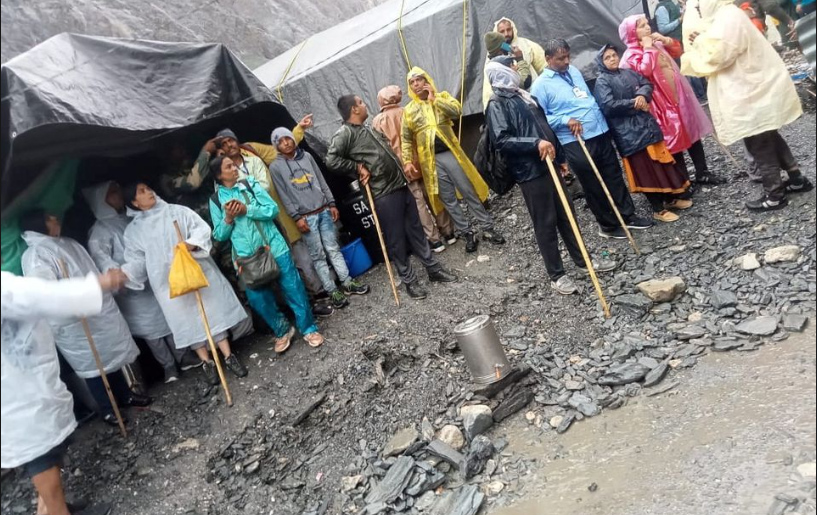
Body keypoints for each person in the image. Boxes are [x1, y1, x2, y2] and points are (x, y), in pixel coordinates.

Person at [484, 59, 618, 295]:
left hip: (550, 164)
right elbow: (501, 140)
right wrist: (535, 144)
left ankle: (583, 261)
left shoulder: (523, 96)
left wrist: (561, 157)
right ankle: (557, 274)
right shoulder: (497, 103)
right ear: (503, 71)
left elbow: (544, 125)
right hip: (530, 172)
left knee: (568, 214)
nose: (517, 69)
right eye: (513, 66)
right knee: (545, 222)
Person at [2, 269, 124, 515]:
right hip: (21, 402)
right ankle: (58, 512)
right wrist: (98, 284)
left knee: (49, 459)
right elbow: (42, 295)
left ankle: (51, 510)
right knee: (44, 464)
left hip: (22, 394)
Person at [20, 210, 149, 426]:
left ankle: (125, 395)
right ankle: (108, 408)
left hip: (98, 311)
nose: (56, 219)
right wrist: (77, 297)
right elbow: (47, 292)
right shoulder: (35, 256)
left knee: (109, 358)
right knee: (93, 367)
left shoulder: (68, 242)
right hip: (75, 321)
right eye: (50, 218)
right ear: (39, 225)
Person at [682, 0, 813, 210]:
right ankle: (797, 178)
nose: (697, 10)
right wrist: (704, 39)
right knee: (768, 135)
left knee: (758, 139)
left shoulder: (727, 17)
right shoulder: (726, 16)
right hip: (753, 86)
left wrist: (699, 42)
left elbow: (720, 54)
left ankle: (775, 194)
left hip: (749, 90)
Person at [326, 95, 458, 300]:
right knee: (396, 240)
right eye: (361, 102)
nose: (364, 104)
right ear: (354, 109)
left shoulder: (368, 127)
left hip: (400, 184)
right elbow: (331, 160)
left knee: (416, 231)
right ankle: (409, 281)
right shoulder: (344, 134)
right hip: (382, 193)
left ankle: (433, 269)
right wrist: (356, 167)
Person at [121, 183, 249, 385]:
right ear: (135, 202)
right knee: (186, 321)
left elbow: (201, 229)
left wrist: (191, 243)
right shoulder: (134, 231)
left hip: (195, 270)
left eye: (149, 188)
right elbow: (136, 260)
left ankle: (227, 355)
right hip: (167, 282)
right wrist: (124, 274)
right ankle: (206, 362)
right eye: (142, 192)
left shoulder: (176, 211)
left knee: (211, 311)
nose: (149, 191)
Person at [531, 39, 653, 240]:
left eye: (568, 56)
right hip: (575, 139)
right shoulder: (540, 86)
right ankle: (608, 225)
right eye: (561, 58)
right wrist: (564, 119)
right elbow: (540, 118)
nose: (566, 61)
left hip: (599, 130)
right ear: (548, 59)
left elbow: (586, 97)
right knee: (592, 182)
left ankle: (627, 215)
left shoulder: (573, 72)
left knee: (613, 174)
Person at [84, 181, 199, 383]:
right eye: (112, 194)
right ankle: (168, 366)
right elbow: (101, 257)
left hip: (153, 277)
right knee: (151, 331)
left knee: (169, 318)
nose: (118, 196)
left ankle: (184, 356)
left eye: (118, 191)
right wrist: (120, 274)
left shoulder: (130, 218)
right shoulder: (100, 231)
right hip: (132, 287)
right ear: (101, 201)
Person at [210, 156, 326, 352]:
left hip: (274, 247)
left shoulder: (249, 184)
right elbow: (219, 235)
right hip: (245, 257)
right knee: (258, 299)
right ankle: (282, 330)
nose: (234, 168)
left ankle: (308, 328)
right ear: (219, 175)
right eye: (228, 167)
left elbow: (271, 210)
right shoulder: (215, 200)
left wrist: (247, 209)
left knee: (293, 288)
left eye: (233, 164)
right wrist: (228, 218)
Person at [402, 67, 505, 253]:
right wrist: (408, 161)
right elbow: (406, 139)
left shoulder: (442, 96)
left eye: (419, 79)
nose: (416, 84)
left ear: (427, 79)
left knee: (468, 190)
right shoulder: (409, 111)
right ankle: (467, 233)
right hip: (430, 162)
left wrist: (435, 100)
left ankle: (487, 228)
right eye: (412, 82)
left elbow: (456, 111)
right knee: (448, 199)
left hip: (450, 154)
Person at [269, 128, 370, 310]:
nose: (286, 143)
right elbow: (283, 195)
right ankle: (332, 290)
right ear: (276, 145)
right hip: (306, 217)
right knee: (318, 256)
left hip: (323, 209)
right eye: (281, 141)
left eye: (288, 138)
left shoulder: (306, 156)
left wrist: (331, 203)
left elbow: (321, 180)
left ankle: (347, 282)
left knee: (333, 248)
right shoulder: (275, 167)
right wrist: (296, 217)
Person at [594, 45, 694, 223]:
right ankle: (657, 208)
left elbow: (647, 83)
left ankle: (669, 199)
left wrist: (642, 95)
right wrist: (634, 102)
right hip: (629, 134)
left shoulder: (628, 73)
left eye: (614, 55)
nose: (612, 59)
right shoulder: (602, 81)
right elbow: (608, 106)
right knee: (646, 170)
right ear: (601, 63)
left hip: (646, 126)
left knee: (661, 165)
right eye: (607, 57)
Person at [619, 15, 722, 186]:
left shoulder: (655, 43)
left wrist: (665, 40)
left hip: (678, 96)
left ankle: (702, 172)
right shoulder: (630, 55)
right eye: (641, 26)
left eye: (647, 24)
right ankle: (683, 181)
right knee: (673, 138)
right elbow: (645, 71)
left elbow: (677, 51)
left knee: (691, 131)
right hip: (660, 103)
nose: (647, 28)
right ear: (631, 32)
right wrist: (647, 48)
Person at [371, 85, 453, 252]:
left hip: (401, 167)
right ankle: (449, 232)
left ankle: (434, 240)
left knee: (418, 203)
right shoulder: (408, 110)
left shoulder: (378, 121)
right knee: (434, 195)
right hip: (422, 159)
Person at [482, 31, 534, 109]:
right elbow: (526, 82)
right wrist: (520, 59)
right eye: (504, 44)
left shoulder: (492, 65)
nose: (508, 45)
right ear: (500, 47)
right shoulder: (500, 66)